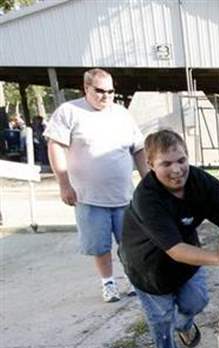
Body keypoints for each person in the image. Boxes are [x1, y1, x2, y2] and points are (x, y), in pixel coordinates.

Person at [119, 129, 219, 348]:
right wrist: (218, 256)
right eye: (166, 164)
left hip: (186, 258)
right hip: (147, 267)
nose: (177, 169)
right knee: (161, 317)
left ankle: (185, 325)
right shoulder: (147, 198)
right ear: (150, 164)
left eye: (181, 160)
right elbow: (175, 250)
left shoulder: (199, 180)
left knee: (196, 302)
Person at [45, 68, 148, 303]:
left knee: (130, 242)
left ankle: (132, 279)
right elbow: (55, 147)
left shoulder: (122, 114)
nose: (106, 96)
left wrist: (148, 181)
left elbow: (139, 148)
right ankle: (108, 283)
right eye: (100, 91)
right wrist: (64, 184)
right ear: (86, 89)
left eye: (110, 91)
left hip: (124, 196)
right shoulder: (69, 112)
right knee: (99, 246)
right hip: (88, 196)